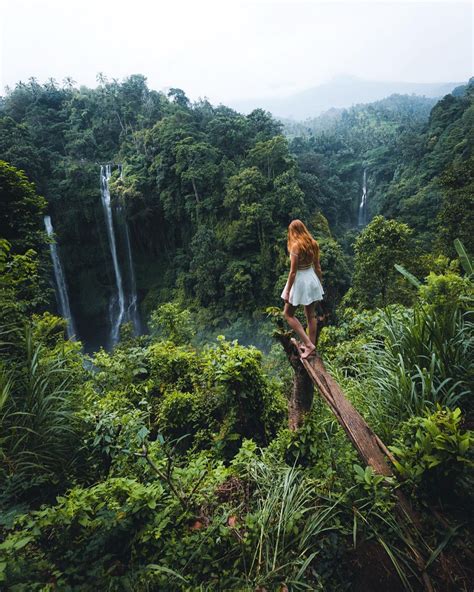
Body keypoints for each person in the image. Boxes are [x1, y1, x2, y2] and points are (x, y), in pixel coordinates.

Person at [281, 219, 324, 359]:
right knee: (310, 315)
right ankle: (311, 345)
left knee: (288, 314)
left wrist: (287, 290)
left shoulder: (295, 246)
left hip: (300, 281)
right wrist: (319, 283)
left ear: (293, 232)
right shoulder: (313, 243)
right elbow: (318, 267)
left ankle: (308, 345)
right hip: (312, 279)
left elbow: (293, 272)